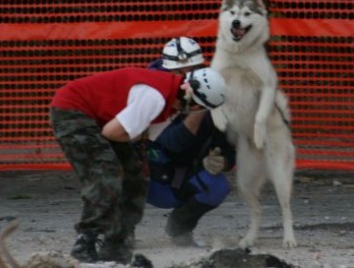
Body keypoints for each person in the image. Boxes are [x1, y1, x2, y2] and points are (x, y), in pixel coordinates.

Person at [49, 65, 226, 264]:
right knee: (107, 171)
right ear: (196, 104)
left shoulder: (167, 99)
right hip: (72, 110)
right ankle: (87, 240)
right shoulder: (155, 97)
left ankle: (117, 245)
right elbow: (111, 132)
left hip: (97, 118)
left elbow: (141, 135)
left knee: (135, 176)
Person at [142, 37, 236, 246]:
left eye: (192, 71)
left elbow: (227, 142)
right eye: (179, 73)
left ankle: (180, 229)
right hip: (144, 176)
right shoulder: (149, 94)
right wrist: (198, 109)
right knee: (116, 177)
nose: (186, 80)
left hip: (181, 176)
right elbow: (173, 143)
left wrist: (223, 160)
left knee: (216, 186)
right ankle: (118, 234)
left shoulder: (211, 89)